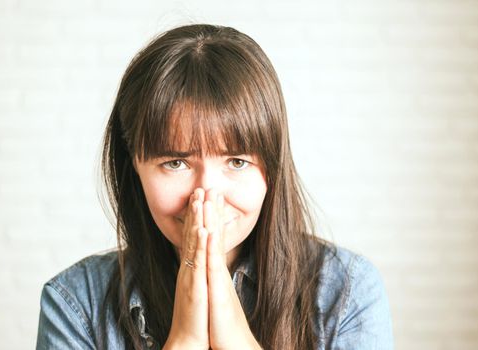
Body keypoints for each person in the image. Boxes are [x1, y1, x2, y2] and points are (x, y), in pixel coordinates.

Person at [36, 24, 393, 350]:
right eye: (176, 163)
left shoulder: (346, 291)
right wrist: (186, 339)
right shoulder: (75, 302)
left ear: (271, 168)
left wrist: (234, 335)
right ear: (135, 167)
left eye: (237, 162)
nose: (207, 196)